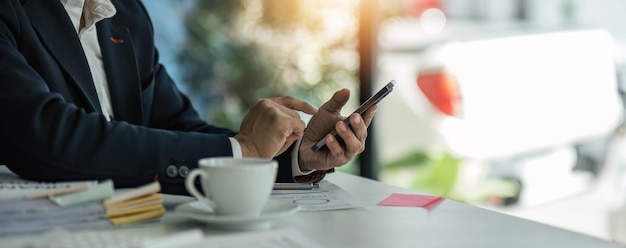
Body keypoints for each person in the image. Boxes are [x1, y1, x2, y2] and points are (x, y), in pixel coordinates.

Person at [0, 0, 376, 195]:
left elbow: (181, 127)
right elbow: (49, 134)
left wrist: (290, 154)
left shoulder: (126, 15)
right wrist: (243, 149)